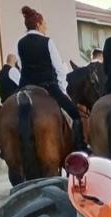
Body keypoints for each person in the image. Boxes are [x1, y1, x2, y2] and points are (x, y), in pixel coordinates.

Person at [16, 6, 87, 151]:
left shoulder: (20, 43)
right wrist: (62, 89)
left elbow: (22, 66)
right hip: (47, 85)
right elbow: (59, 69)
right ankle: (80, 147)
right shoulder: (47, 42)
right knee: (74, 113)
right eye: (44, 24)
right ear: (38, 24)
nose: (46, 27)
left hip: (24, 86)